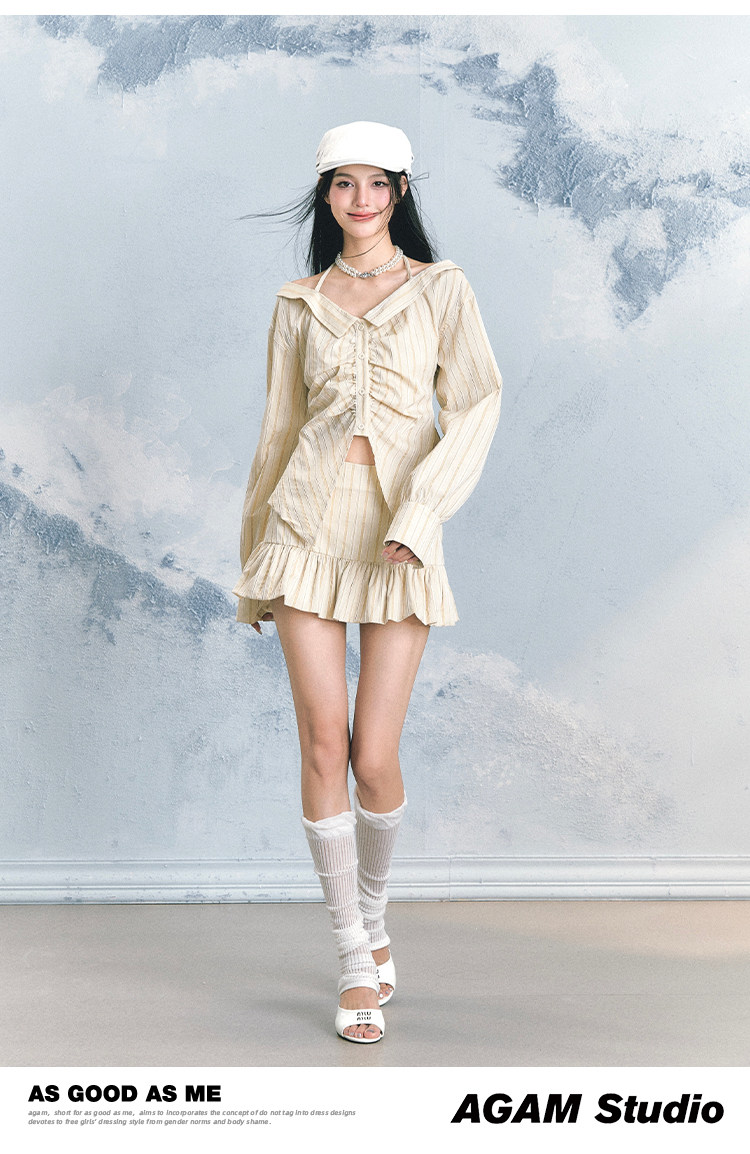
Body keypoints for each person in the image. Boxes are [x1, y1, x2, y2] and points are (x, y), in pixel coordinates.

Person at [232, 121, 502, 1043]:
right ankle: (352, 953)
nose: (359, 200)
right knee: (323, 744)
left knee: (374, 758)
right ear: (325, 195)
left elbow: (476, 404)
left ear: (400, 192)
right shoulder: (298, 303)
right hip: (303, 531)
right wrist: (253, 564)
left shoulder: (440, 288)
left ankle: (377, 914)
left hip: (397, 536)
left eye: (376, 183)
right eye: (342, 183)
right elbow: (276, 434)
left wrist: (421, 515)